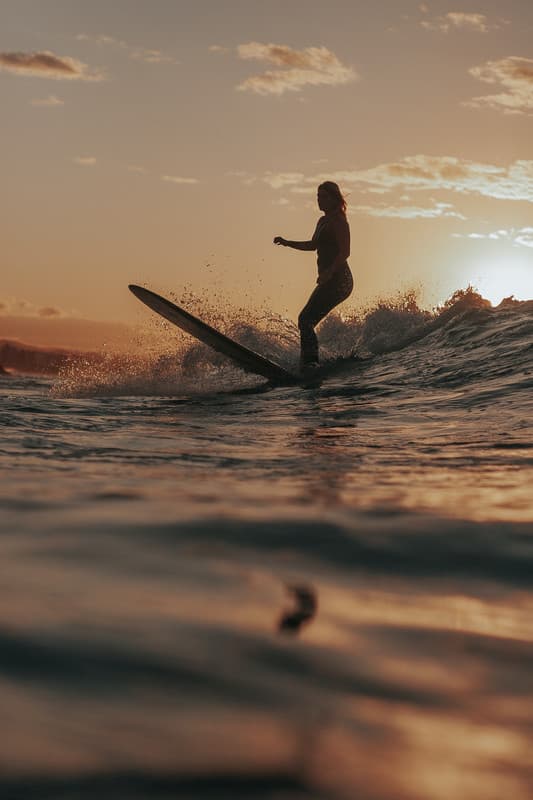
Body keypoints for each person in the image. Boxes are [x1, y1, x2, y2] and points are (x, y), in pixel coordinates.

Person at [274, 181, 353, 370]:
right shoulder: (322, 221)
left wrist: (329, 272)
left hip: (340, 280)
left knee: (305, 320)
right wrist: (287, 242)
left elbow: (345, 252)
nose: (319, 200)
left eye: (324, 196)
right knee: (306, 320)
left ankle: (310, 364)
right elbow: (312, 245)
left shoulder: (339, 221)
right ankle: (309, 361)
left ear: (334, 199)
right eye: (318, 196)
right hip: (329, 280)